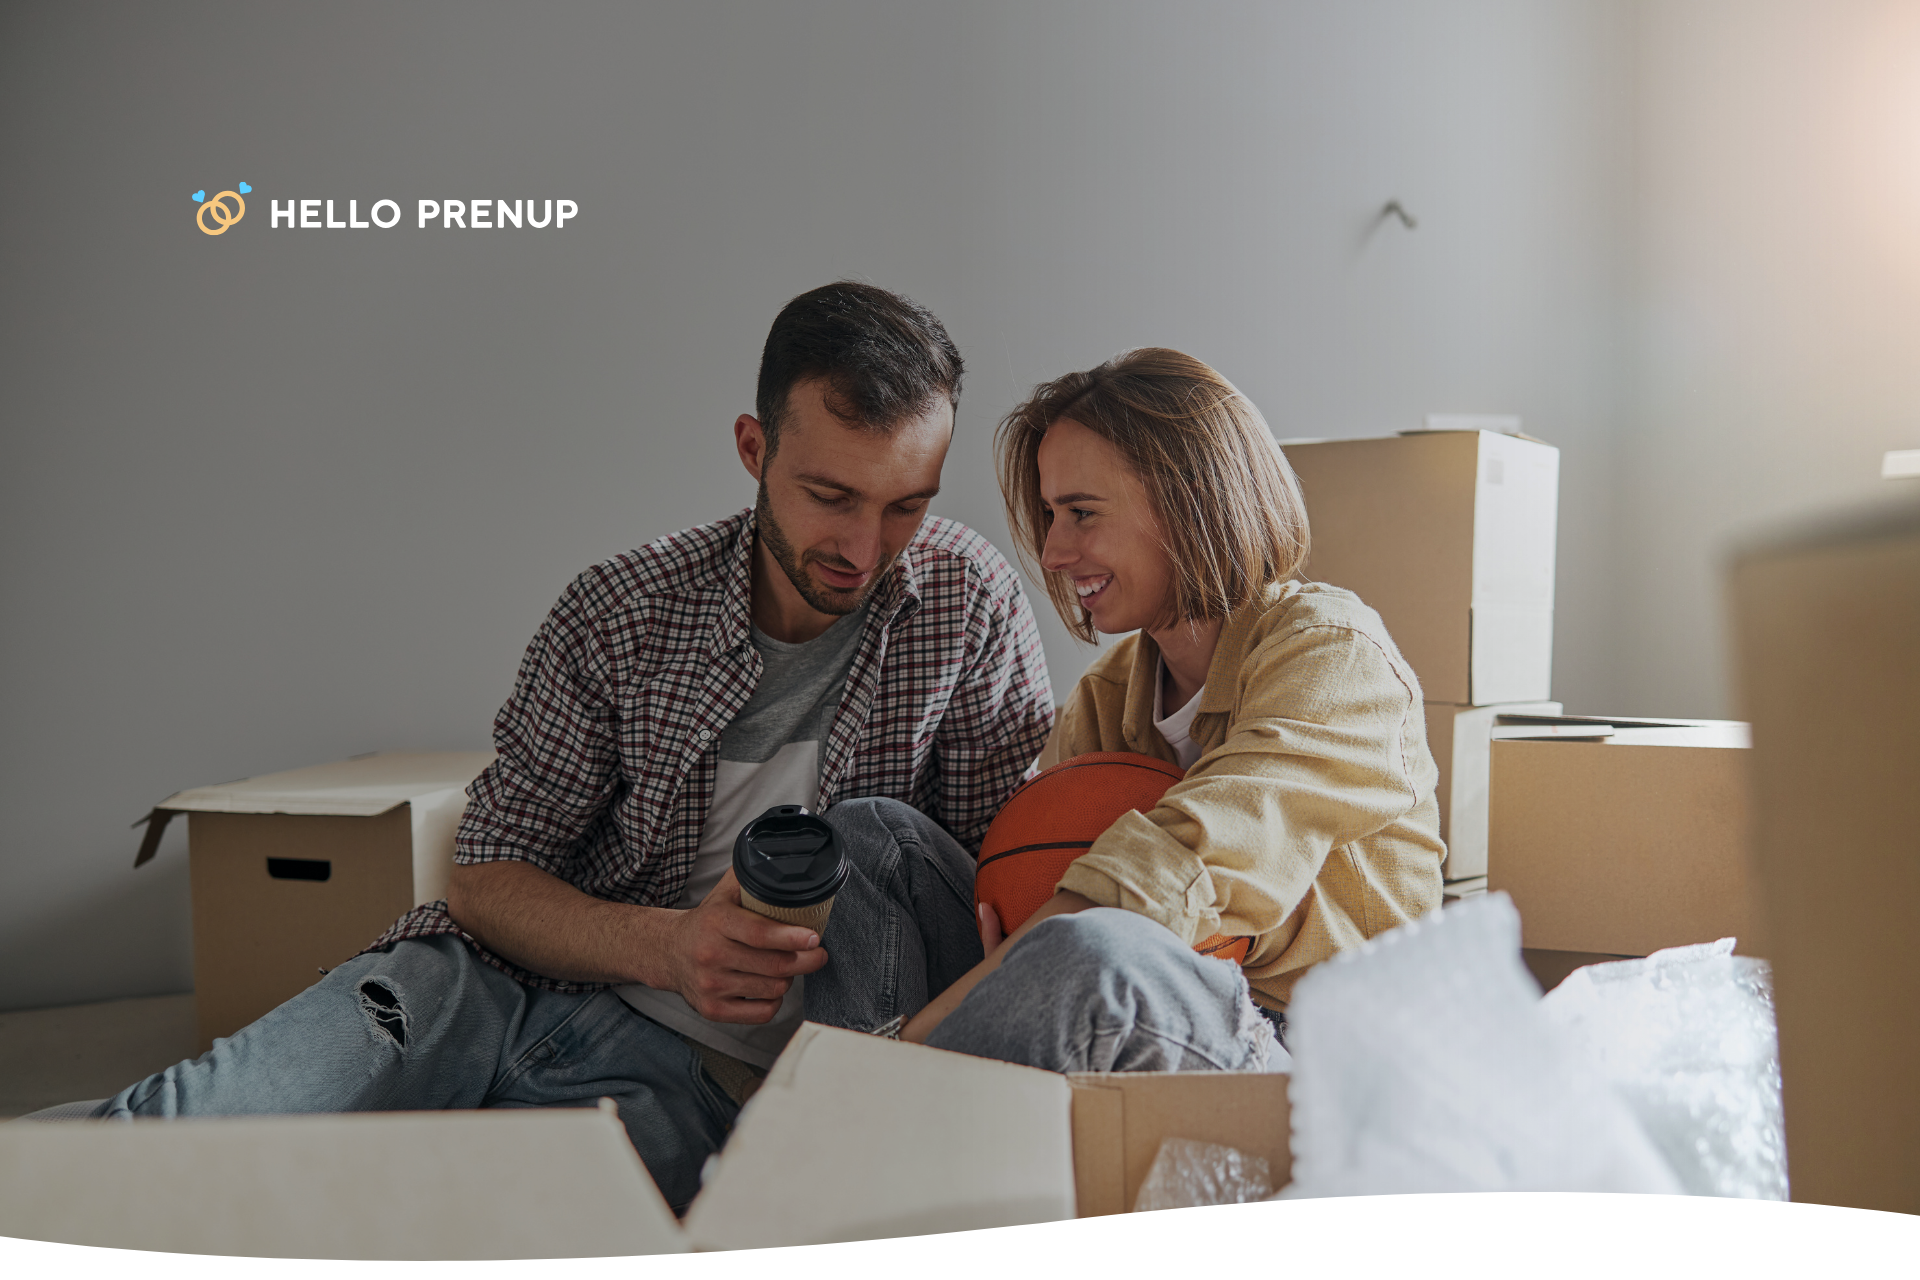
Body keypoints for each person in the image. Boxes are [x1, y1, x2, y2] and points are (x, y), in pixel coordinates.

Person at [91, 282, 1054, 1212]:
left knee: (430, 1233)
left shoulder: (969, 607)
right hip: (476, 992)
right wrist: (670, 947)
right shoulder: (619, 610)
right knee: (151, 1149)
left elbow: (978, 903)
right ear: (753, 449)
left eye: (906, 505)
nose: (864, 545)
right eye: (829, 494)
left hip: (694, 1085)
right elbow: (488, 873)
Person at [903, 347, 1445, 1072]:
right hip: (1172, 1004)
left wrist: (919, 1042)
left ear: (1190, 501)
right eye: (1048, 514)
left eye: (1081, 513)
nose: (1054, 551)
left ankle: (872, 1100)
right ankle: (823, 1106)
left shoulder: (1333, 656)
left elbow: (1182, 861)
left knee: (1095, 949)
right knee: (882, 841)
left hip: (1327, 1054)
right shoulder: (1106, 697)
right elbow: (1046, 882)